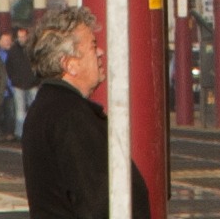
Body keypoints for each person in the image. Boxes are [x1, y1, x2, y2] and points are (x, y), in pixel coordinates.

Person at [21, 15, 135, 219]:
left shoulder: (46, 107)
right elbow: (96, 201)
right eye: (93, 46)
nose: (100, 52)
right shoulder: (72, 117)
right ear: (69, 64)